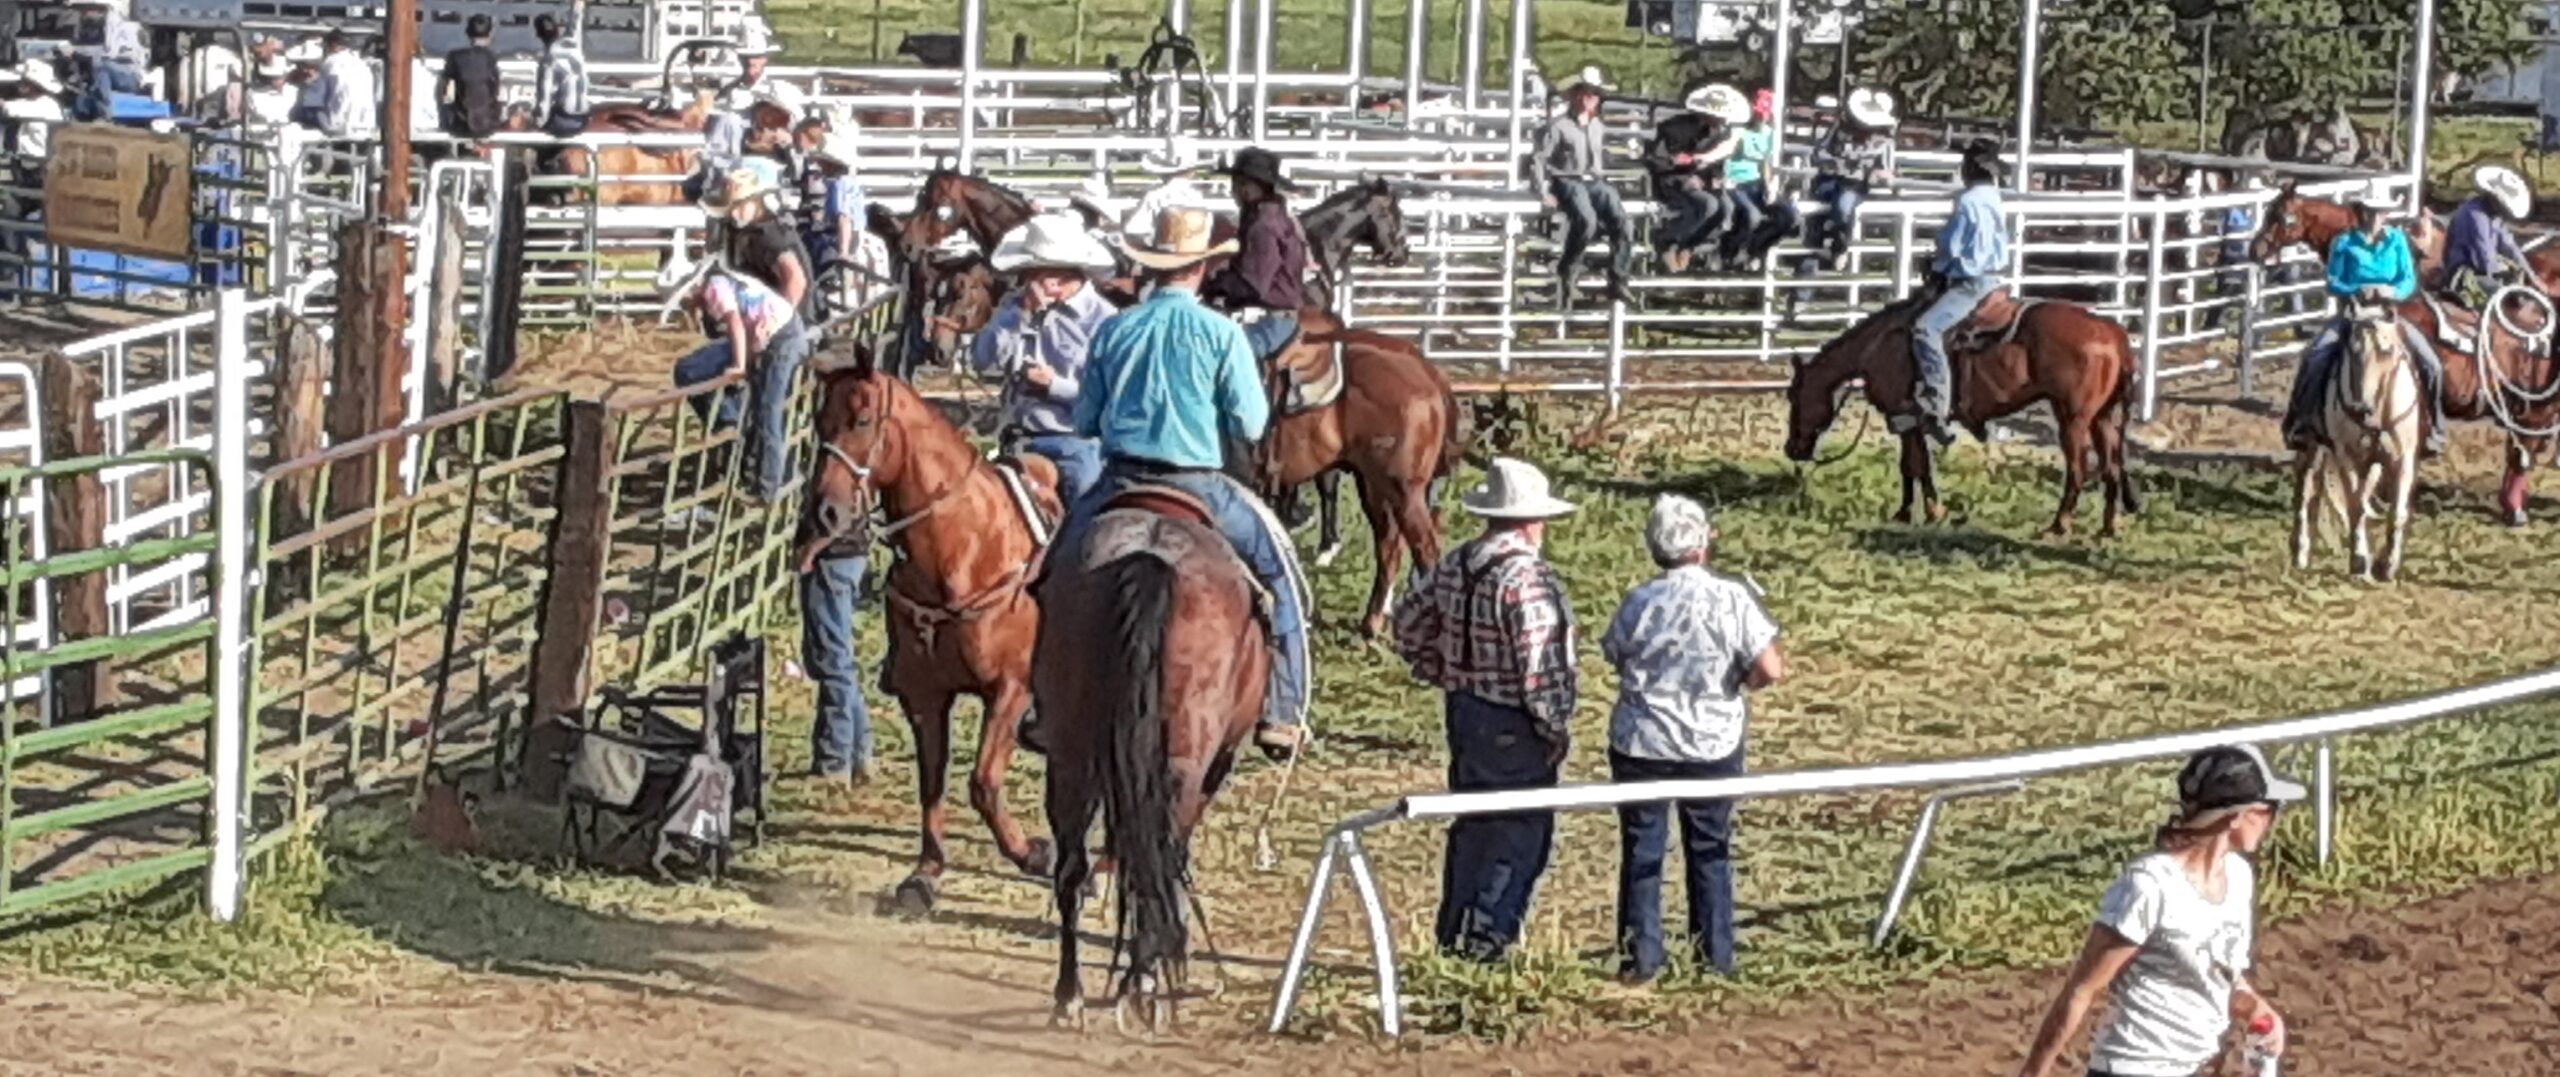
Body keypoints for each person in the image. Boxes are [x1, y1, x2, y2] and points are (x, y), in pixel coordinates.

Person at [1047, 202, 1312, 762]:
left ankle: (1043, 701)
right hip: (1198, 483)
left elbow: (1086, 420)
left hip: (1117, 480)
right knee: (1284, 578)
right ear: (1201, 269)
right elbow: (1251, 421)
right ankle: (1284, 711)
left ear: (1152, 265)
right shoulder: (1221, 335)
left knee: (1049, 575)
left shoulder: (1115, 329)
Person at [2016, 744, 2301, 1077]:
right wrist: (2033, 1072)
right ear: (2236, 815)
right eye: (2269, 808)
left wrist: (2253, 1005)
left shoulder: (2238, 877)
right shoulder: (2150, 885)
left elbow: (2219, 974)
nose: (2274, 818)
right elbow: (2083, 989)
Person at [1393, 456, 1579, 962]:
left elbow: (1407, 622)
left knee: (1471, 821)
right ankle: (1489, 939)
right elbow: (1543, 670)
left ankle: (1454, 930)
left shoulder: (1456, 562)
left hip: (1464, 708)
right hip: (1513, 719)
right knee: (1519, 830)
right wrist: (1554, 727)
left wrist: (1440, 667)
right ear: (1530, 520)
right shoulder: (1529, 580)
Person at [1600, 494, 1783, 984]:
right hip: (1712, 742)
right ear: (1703, 544)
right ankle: (1716, 958)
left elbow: (1615, 655)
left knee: (1642, 850)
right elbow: (1770, 668)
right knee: (1712, 847)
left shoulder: (1639, 601)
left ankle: (1641, 960)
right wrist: (1736, 684)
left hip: (1643, 741)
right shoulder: (1732, 598)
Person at [2281, 179, 2447, 458]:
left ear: (2386, 214)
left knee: (2432, 364)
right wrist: (2358, 288)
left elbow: (2407, 280)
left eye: (2379, 211)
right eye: (2370, 211)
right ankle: (2301, 422)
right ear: (2361, 212)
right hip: (2351, 315)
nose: (2374, 217)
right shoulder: (2344, 243)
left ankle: (2433, 428)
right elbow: (2334, 281)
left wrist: (2391, 290)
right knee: (2316, 356)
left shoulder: (2396, 241)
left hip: (2389, 316)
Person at [975, 214, 1117, 503]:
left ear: (1064, 275)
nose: (1028, 281)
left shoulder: (1104, 320)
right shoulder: (1014, 307)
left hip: (1075, 442)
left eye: (1035, 271)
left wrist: (1055, 385)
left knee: (1086, 508)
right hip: (1017, 437)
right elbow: (982, 361)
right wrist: (1020, 317)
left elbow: (1110, 397)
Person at [702, 169, 818, 499]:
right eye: (731, 206)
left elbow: (796, 281)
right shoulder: (743, 232)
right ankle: (737, 429)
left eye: (741, 204)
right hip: (763, 327)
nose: (735, 212)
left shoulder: (769, 235)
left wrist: (776, 324)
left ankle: (769, 484)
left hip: (781, 329)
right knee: (761, 403)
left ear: (756, 202)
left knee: (770, 406)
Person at [1909, 139, 2010, 444]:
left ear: (1969, 169)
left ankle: (1936, 403)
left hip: (1970, 280)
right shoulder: (1994, 197)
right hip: (1994, 277)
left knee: (1924, 329)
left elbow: (1952, 246)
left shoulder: (1967, 202)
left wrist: (1934, 262)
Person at [1532, 66, 1634, 308]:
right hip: (1567, 178)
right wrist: (1543, 190)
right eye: (1586, 93)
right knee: (1586, 221)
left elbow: (1600, 158)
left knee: (1624, 222)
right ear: (1574, 95)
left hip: (1594, 181)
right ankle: (1569, 268)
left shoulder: (1597, 126)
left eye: (1595, 94)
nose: (1591, 98)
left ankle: (1619, 278)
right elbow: (1540, 158)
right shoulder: (1558, 127)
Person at [1201, 146, 1309, 361]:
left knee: (1214, 358)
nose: (1234, 191)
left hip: (1269, 322)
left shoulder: (1262, 225)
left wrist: (1213, 284)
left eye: (1237, 184)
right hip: (1275, 318)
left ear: (1247, 187)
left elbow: (1253, 285)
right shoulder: (1275, 218)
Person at [1640, 84, 1738, 274]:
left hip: (1702, 183)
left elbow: (1717, 164)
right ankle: (1668, 239)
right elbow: (1654, 159)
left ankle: (1688, 245)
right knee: (1709, 205)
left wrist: (1715, 178)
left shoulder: (1719, 133)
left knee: (1726, 209)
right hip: (1671, 181)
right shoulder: (1673, 128)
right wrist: (1677, 163)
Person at [1805, 87, 1896, 268]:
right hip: (1829, 182)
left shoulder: (1884, 140)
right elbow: (1819, 152)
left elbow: (1886, 170)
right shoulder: (1839, 129)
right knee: (1816, 218)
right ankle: (1807, 274)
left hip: (1855, 184)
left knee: (1844, 207)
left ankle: (1840, 247)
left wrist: (1877, 174)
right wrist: (1833, 163)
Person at [1717, 88, 1798, 273]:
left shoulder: (1770, 134)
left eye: (1764, 114)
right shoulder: (1739, 131)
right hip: (1736, 182)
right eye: (1758, 113)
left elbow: (1766, 163)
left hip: (1757, 183)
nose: (1761, 118)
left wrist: (1770, 186)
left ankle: (1757, 249)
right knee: (1752, 216)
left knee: (1789, 217)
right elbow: (1726, 154)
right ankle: (1730, 250)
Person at [2438, 164, 2534, 309]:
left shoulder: (2495, 216)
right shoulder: (2475, 215)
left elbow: (2509, 246)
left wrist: (2531, 275)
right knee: (2504, 299)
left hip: (2484, 269)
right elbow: (2484, 256)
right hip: (2463, 273)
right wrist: (2505, 277)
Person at [793, 119, 863, 270]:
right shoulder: (837, 182)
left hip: (844, 236)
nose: (820, 165)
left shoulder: (840, 184)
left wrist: (843, 251)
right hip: (840, 231)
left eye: (823, 162)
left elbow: (844, 218)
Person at [438, 14, 504, 142]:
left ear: (467, 33)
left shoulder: (455, 57)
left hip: (460, 124)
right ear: (490, 34)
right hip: (487, 125)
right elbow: (496, 91)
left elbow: (444, 92)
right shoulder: (491, 58)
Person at [301, 31, 377, 140]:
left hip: (339, 128)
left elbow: (315, 101)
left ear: (333, 45)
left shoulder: (330, 63)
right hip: (367, 126)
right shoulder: (362, 64)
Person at [723, 27, 806, 121]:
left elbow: (797, 118)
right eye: (745, 58)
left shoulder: (781, 89)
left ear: (764, 59)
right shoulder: (732, 89)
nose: (750, 66)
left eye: (756, 57)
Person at [533, 14, 589, 137]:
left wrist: (538, 123)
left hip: (565, 120)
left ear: (538, 35)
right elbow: (575, 21)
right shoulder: (575, 47)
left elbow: (544, 100)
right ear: (557, 31)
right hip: (583, 118)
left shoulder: (549, 60)